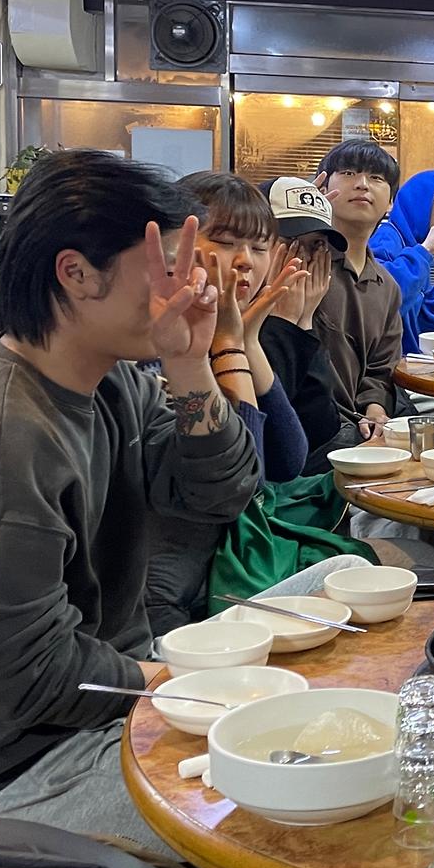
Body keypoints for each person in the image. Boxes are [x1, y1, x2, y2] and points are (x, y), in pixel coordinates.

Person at [0, 150, 259, 845]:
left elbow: (221, 493)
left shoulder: (115, 379)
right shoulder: (7, 431)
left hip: (124, 692)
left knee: (346, 582)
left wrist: (188, 361)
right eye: (167, 266)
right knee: (275, 803)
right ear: (76, 274)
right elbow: (23, 674)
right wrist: (176, 684)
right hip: (30, 764)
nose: (191, 284)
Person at [146, 172, 309, 634]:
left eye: (259, 247)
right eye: (224, 242)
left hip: (226, 561)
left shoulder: (225, 327)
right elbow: (244, 488)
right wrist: (229, 345)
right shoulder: (159, 346)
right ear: (175, 246)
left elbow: (288, 460)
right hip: (181, 596)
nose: (245, 262)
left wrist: (247, 341)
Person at [311, 140, 405, 441]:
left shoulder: (386, 286)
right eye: (349, 173)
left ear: (390, 202)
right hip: (311, 426)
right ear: (323, 187)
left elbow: (380, 369)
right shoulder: (299, 261)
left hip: (358, 425)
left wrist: (375, 408)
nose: (362, 184)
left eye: (376, 178)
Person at [261, 175, 345, 472]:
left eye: (315, 246)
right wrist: (283, 322)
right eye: (290, 243)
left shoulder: (312, 309)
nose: (303, 259)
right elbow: (269, 440)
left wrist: (304, 321)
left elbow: (321, 428)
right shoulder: (233, 315)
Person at [370, 169, 434, 355]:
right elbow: (380, 307)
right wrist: (424, 252)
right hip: (386, 368)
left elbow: (424, 330)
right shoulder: (386, 240)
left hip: (410, 363)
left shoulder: (415, 247)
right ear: (417, 202)